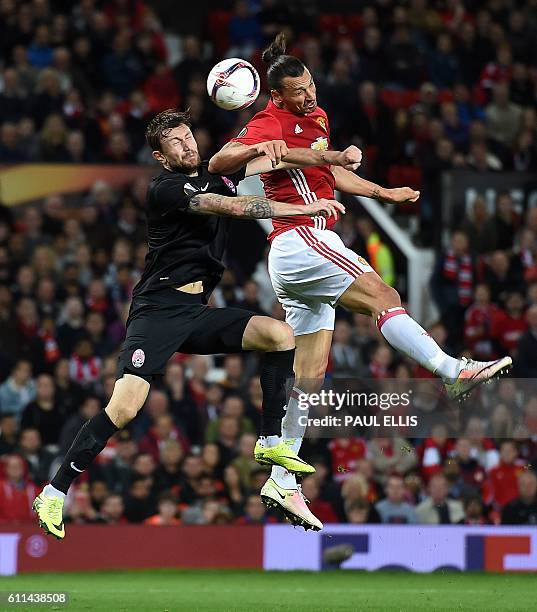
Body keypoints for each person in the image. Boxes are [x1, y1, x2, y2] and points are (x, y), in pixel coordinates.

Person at [209, 33, 512, 527]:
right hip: (301, 237)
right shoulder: (267, 121)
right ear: (276, 97)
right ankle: (450, 370)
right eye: (299, 92)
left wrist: (383, 192)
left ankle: (283, 480)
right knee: (384, 295)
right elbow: (219, 163)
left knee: (311, 372)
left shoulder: (318, 117)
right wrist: (261, 147)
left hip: (296, 254)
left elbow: (334, 177)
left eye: (310, 85)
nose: (309, 95)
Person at [32, 108, 356, 539]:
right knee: (125, 407)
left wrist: (327, 157)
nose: (188, 146)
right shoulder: (165, 188)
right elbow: (230, 206)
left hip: (197, 312)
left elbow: (271, 163)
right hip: (158, 310)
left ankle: (269, 440)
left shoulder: (218, 174)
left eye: (189, 137)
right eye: (176, 144)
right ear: (162, 157)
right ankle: (55, 491)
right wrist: (302, 207)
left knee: (279, 336)